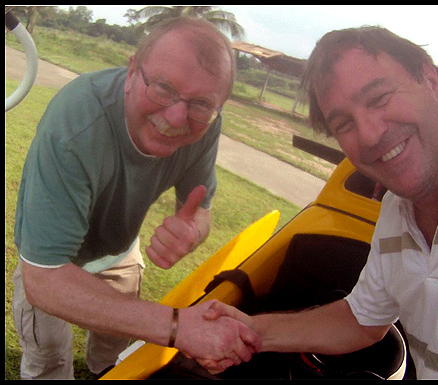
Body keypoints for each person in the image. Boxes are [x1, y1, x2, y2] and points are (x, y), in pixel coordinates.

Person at [202, 26, 438, 379]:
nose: (370, 135)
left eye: (379, 98)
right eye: (344, 124)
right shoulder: (396, 213)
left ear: (430, 78)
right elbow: (362, 320)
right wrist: (249, 332)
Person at [12, 17, 261, 380]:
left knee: (115, 357)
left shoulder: (205, 123)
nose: (177, 117)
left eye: (202, 104)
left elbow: (200, 211)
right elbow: (44, 278)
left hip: (120, 251)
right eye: (162, 88)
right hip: (55, 261)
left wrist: (192, 231)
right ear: (131, 72)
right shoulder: (74, 125)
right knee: (48, 358)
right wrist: (178, 326)